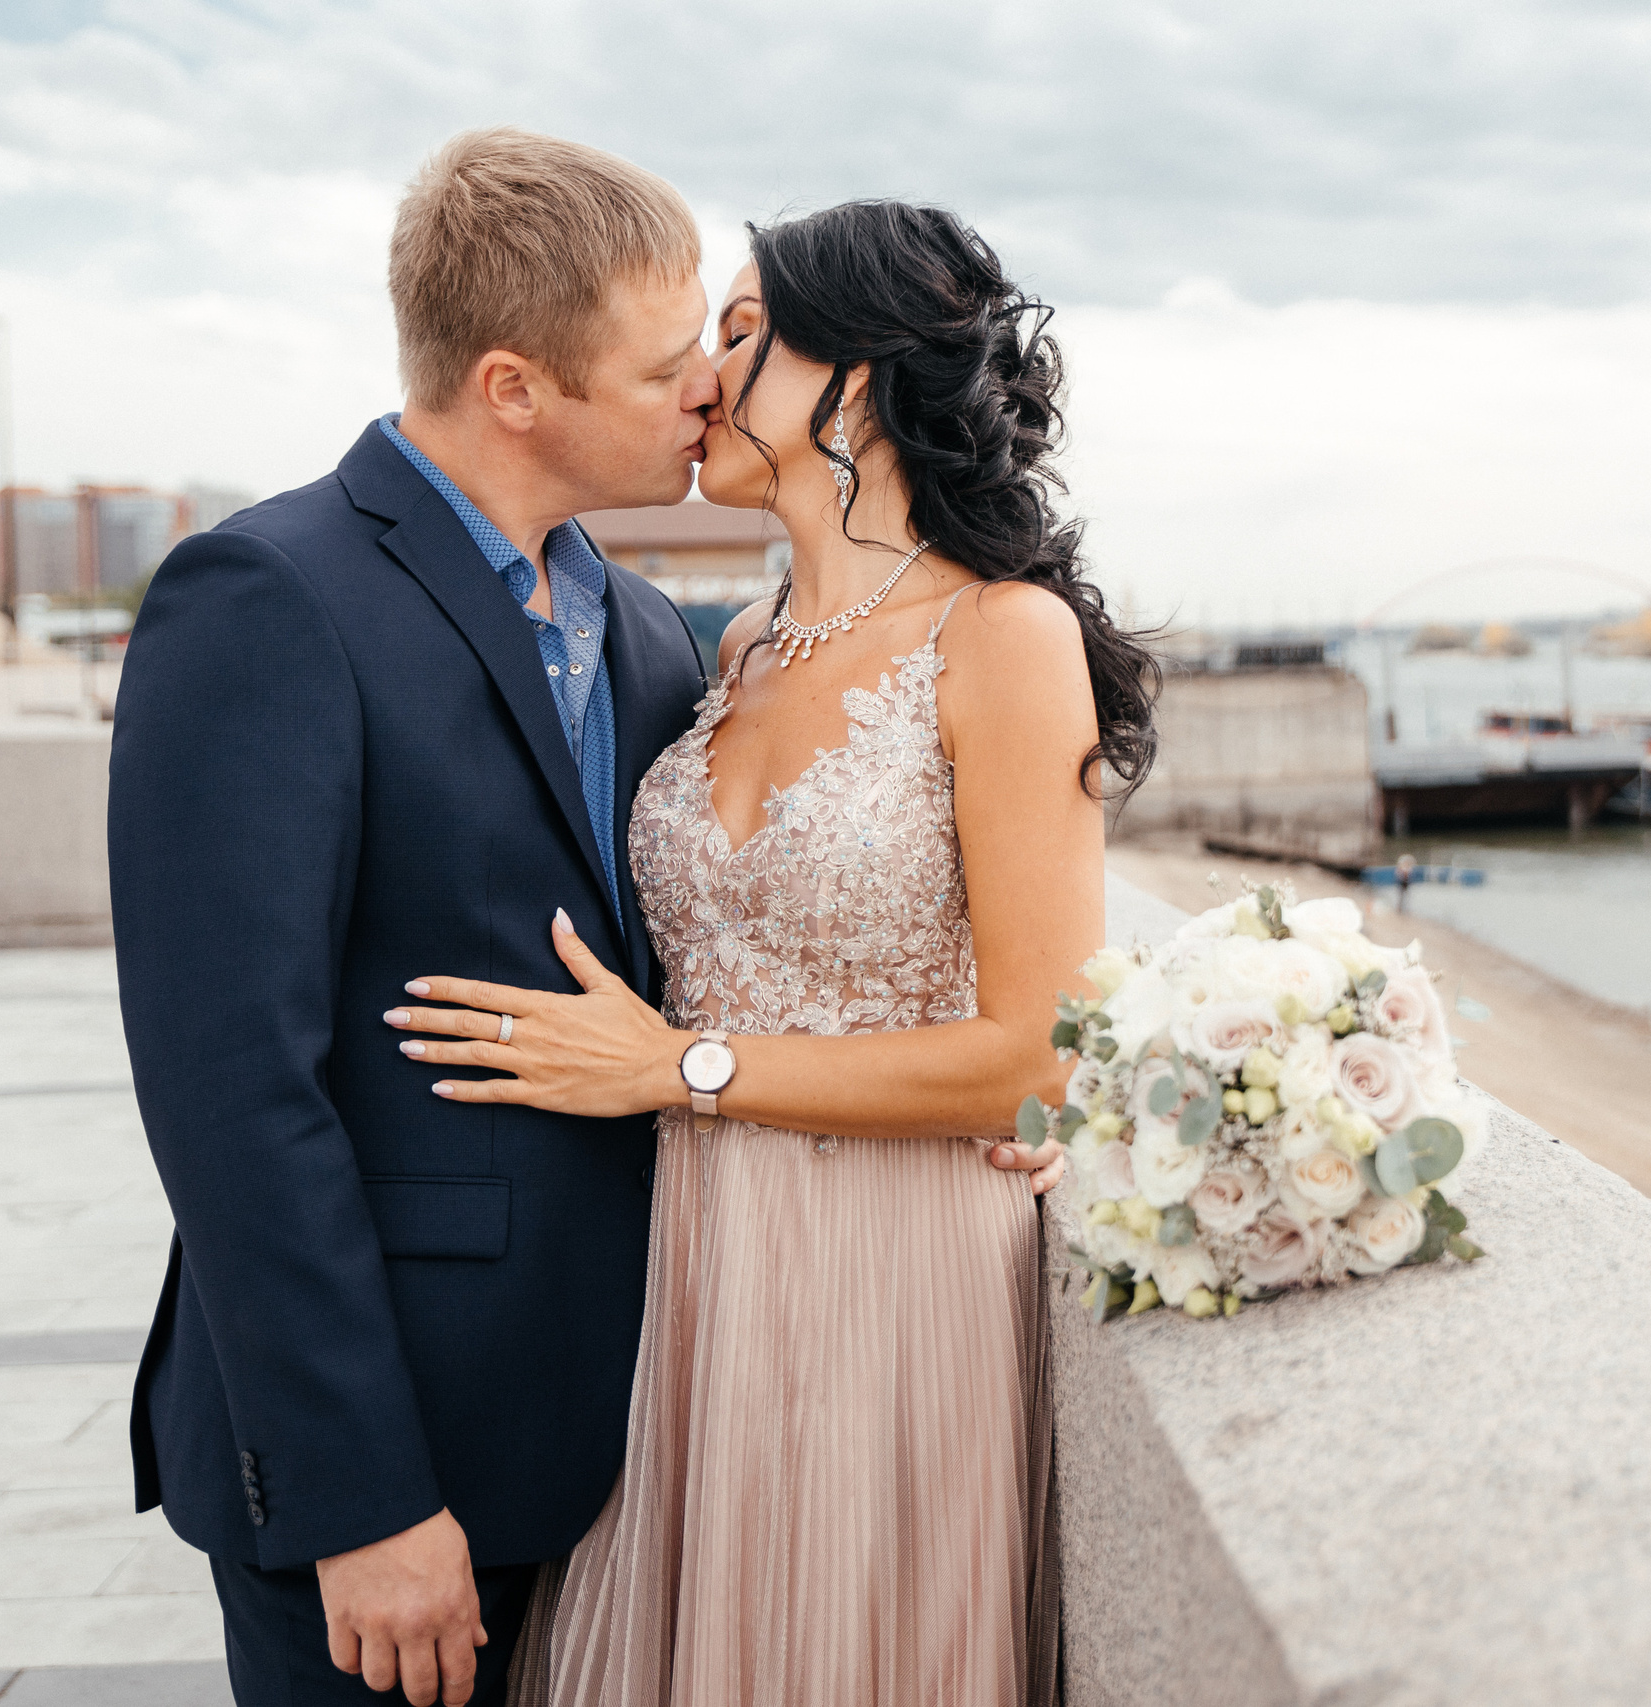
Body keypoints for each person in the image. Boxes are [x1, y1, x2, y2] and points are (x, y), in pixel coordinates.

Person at [108, 135, 1066, 1707]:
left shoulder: (656, 634)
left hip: (651, 1413)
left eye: (726, 341)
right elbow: (227, 1091)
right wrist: (361, 1499)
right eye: (668, 358)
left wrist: (1034, 1099)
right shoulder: (268, 595)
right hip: (390, 1465)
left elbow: (801, 946)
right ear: (514, 388)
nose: (705, 386)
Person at [383, 200, 1157, 1706]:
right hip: (687, 1260)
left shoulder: (1004, 636)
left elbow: (1040, 1056)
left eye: (740, 335)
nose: (700, 377)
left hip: (892, 1263)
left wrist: (680, 1068)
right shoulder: (734, 648)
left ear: (853, 379)